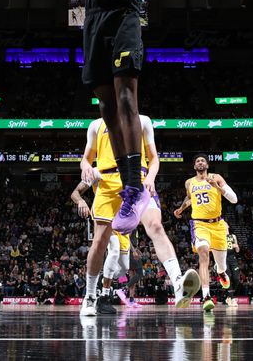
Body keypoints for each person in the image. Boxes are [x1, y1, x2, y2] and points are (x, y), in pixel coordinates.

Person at [82, 0, 159, 235]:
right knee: (105, 105)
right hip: (94, 21)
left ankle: (134, 185)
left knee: (126, 98)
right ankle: (131, 186)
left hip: (125, 16)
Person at [75, 114, 199, 316]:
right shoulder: (97, 124)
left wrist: (150, 177)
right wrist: (86, 166)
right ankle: (90, 296)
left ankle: (178, 284)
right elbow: (85, 160)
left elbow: (154, 159)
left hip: (138, 179)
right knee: (99, 242)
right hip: (107, 182)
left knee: (156, 227)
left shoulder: (143, 120)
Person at [174, 154, 239, 312]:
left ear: (207, 165)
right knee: (203, 254)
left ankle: (221, 272)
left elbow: (234, 199)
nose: (200, 162)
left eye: (203, 160)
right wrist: (181, 209)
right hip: (199, 224)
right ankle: (206, 296)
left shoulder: (216, 177)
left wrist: (216, 186)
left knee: (221, 264)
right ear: (195, 166)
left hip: (218, 225)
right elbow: (190, 198)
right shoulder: (189, 182)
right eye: (197, 161)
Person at [70, 176, 132, 312]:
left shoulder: (127, 170)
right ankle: (103, 295)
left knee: (123, 268)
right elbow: (75, 192)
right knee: (114, 251)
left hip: (122, 219)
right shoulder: (97, 172)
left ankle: (100, 281)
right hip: (104, 216)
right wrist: (80, 201)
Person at [224, 230, 242, 306]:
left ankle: (229, 296)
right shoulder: (220, 235)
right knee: (228, 277)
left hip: (232, 258)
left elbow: (237, 250)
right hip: (224, 258)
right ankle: (232, 298)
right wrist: (230, 245)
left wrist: (237, 246)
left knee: (236, 278)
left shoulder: (233, 236)